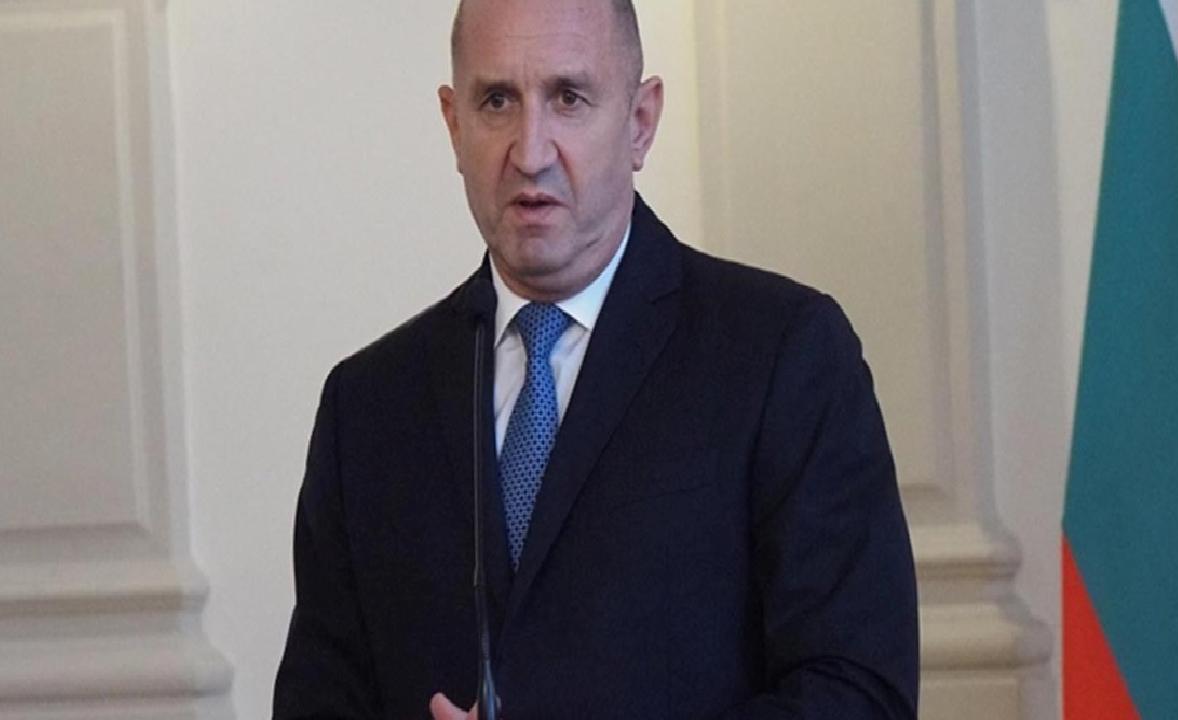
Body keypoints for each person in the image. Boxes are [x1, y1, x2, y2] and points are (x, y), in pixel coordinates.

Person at [273, 0, 919, 717]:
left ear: (640, 123)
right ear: (454, 126)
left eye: (569, 98)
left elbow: (858, 693)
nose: (531, 152)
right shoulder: (368, 406)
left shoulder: (782, 354)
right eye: (497, 101)